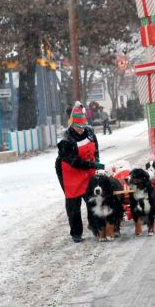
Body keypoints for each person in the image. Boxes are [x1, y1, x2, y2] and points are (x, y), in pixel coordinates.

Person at [55, 102, 104, 243]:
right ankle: (76, 232)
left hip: (88, 167)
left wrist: (97, 159)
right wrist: (91, 164)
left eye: (83, 126)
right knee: (74, 202)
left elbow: (95, 148)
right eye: (78, 127)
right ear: (72, 125)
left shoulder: (89, 132)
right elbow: (74, 161)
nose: (81, 129)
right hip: (69, 171)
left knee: (92, 198)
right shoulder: (66, 140)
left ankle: (94, 225)